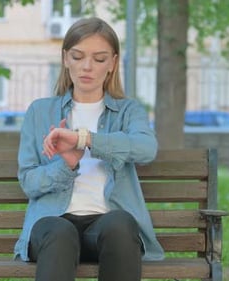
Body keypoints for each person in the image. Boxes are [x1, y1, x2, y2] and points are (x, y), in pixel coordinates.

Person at [14, 17, 164, 281]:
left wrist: (84, 139)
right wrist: (67, 164)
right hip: (53, 224)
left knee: (119, 223)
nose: (87, 66)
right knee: (60, 232)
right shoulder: (40, 111)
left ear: (113, 63)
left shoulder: (128, 112)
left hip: (106, 229)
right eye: (78, 56)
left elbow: (145, 149)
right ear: (65, 59)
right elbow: (29, 181)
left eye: (99, 58)